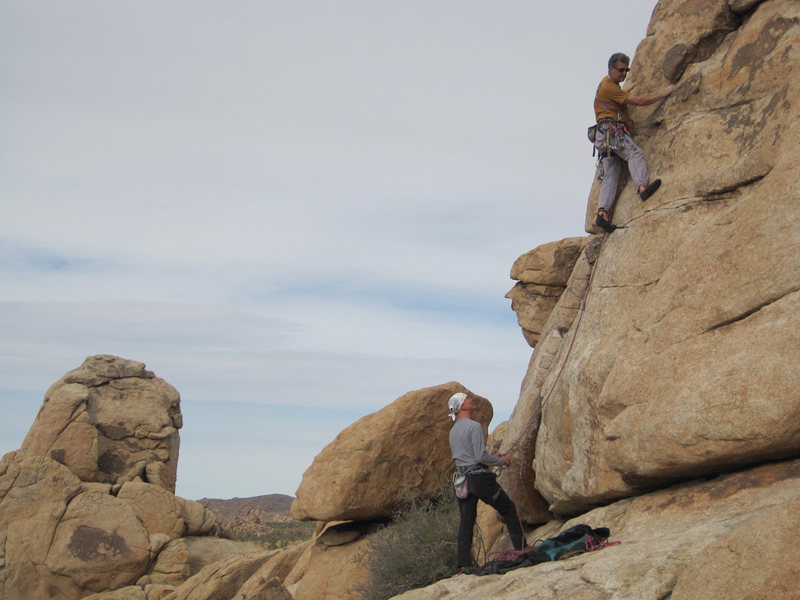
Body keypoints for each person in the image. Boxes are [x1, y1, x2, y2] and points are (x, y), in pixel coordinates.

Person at [593, 52, 676, 232]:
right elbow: (639, 101)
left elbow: (616, 103)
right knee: (634, 153)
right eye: (621, 70)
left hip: (603, 136)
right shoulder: (609, 86)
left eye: (626, 70)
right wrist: (663, 93)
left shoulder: (609, 86)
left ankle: (602, 214)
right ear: (611, 69)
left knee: (611, 175)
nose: (624, 74)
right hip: (611, 131)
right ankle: (642, 187)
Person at [448, 392, 526, 574]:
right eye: (467, 399)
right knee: (508, 510)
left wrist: (492, 457)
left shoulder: (453, 431)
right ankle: (522, 551)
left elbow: (469, 458)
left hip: (462, 482)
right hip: (479, 479)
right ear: (462, 406)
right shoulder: (474, 426)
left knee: (466, 522)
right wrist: (501, 461)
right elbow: (479, 456)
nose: (471, 400)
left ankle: (463, 565)